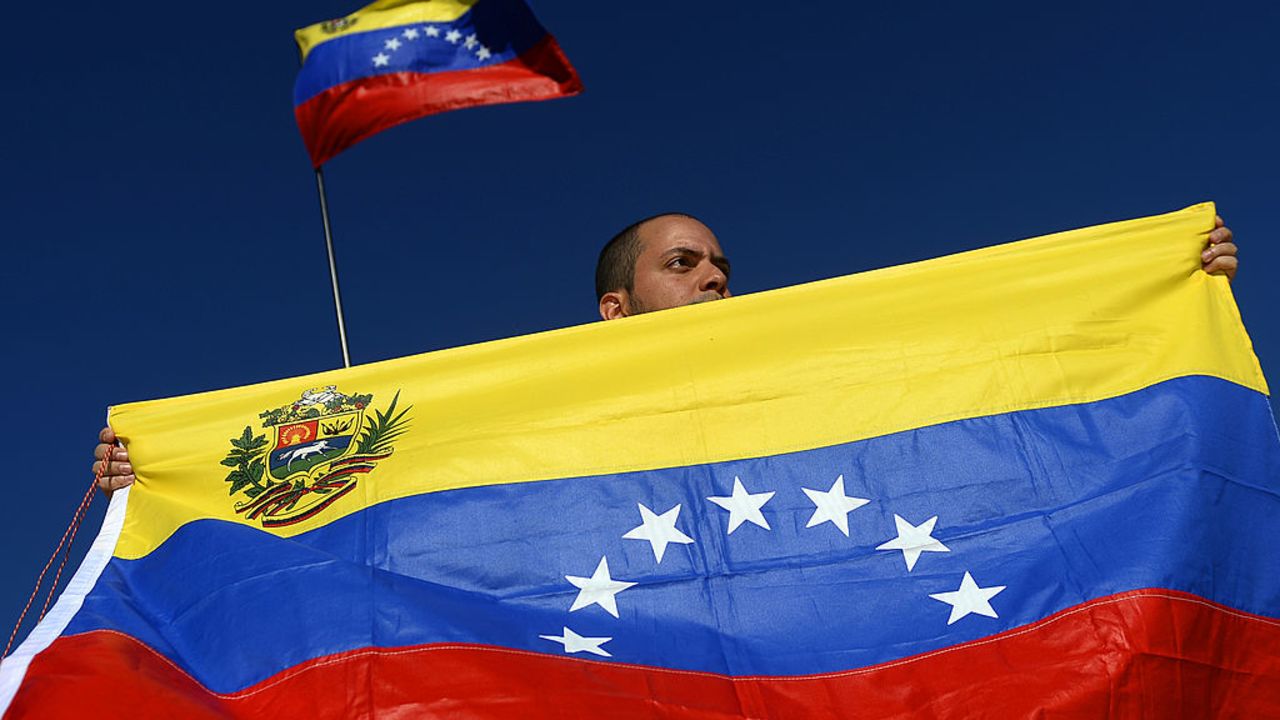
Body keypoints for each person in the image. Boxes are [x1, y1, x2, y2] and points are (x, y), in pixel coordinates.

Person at [93, 212, 1240, 493]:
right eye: (682, 265)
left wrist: (1156, 292)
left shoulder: (825, 377)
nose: (714, 278)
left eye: (718, 264)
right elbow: (391, 473)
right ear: (615, 309)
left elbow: (997, 369)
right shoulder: (524, 411)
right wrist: (168, 474)